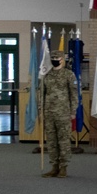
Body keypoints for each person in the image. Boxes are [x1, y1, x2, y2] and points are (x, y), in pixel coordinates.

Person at [40, 49, 79, 178]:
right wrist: (41, 110)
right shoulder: (47, 75)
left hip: (63, 112)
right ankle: (54, 166)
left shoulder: (69, 75)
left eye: (57, 58)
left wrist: (73, 111)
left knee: (63, 141)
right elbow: (42, 95)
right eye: (53, 58)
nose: (55, 61)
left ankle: (63, 167)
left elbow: (73, 94)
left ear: (63, 59)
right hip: (49, 113)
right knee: (51, 141)